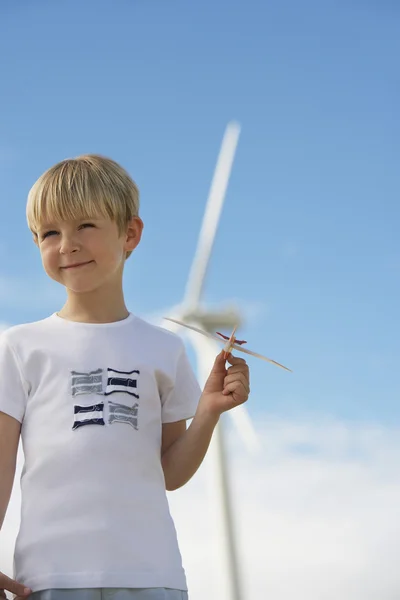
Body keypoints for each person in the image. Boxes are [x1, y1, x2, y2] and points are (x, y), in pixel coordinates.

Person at [0, 155, 250, 600]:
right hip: (48, 578)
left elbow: (169, 472)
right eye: (50, 233)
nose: (67, 245)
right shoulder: (19, 346)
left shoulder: (165, 348)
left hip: (154, 575)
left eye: (85, 226)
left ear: (130, 233)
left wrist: (208, 412)